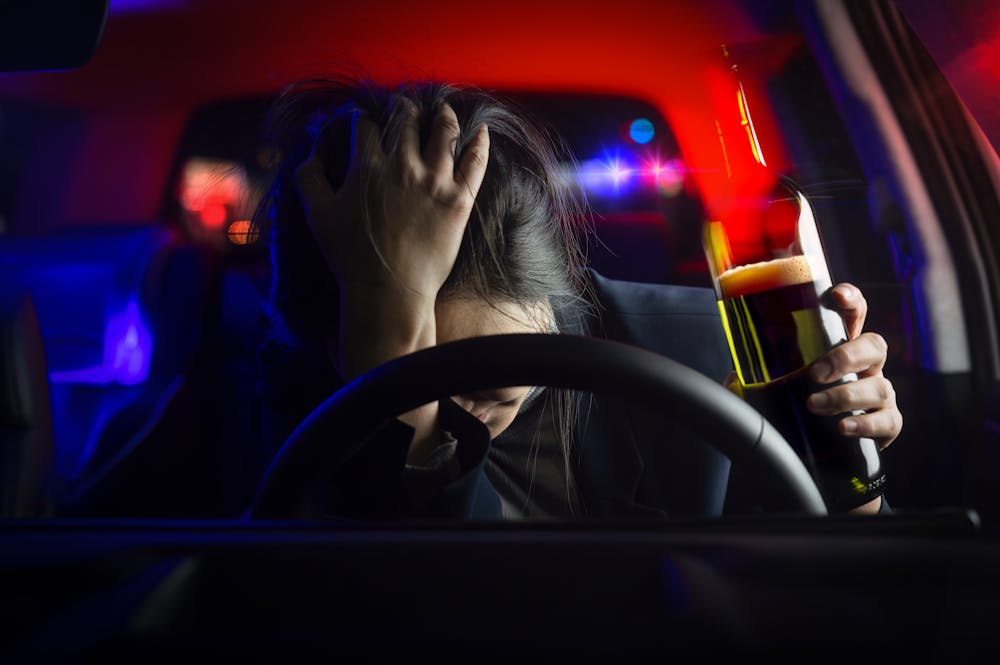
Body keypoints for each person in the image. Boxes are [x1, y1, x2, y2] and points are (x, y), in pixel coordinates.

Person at [253, 77, 903, 520]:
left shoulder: (708, 347)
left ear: (553, 298)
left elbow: (840, 575)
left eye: (487, 371)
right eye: (405, 348)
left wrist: (848, 458)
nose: (451, 412)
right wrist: (384, 336)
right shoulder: (303, 402)